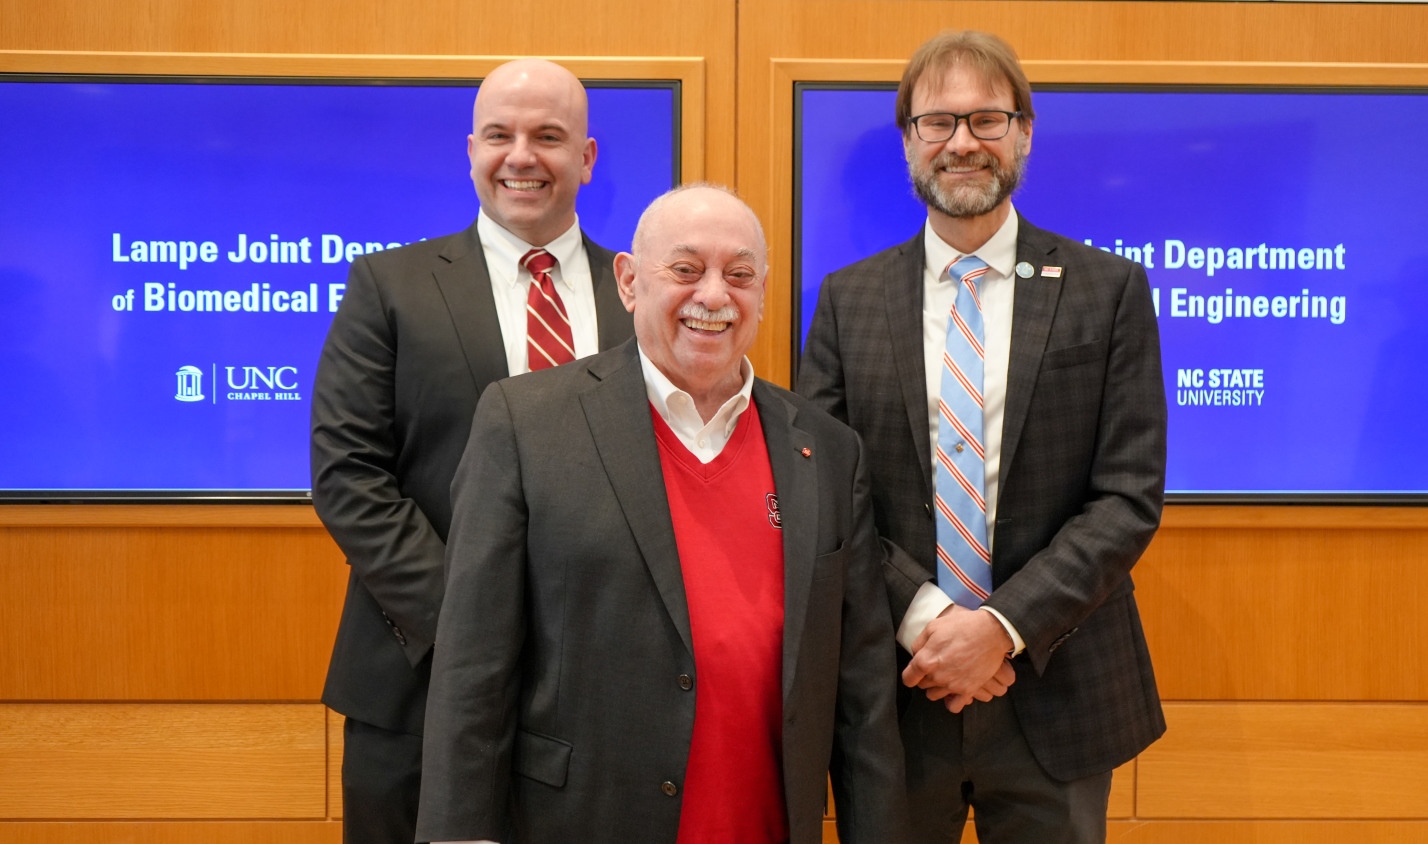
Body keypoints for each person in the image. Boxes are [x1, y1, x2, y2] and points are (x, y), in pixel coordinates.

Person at [415, 184, 908, 844]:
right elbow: (472, 670)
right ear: (628, 281)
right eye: (685, 269)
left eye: (740, 275)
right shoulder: (525, 424)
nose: (714, 295)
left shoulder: (827, 450)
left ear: (763, 293)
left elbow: (863, 692)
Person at [797, 30, 1168, 844]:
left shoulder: (1108, 291)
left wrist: (998, 629)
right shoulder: (846, 300)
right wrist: (931, 620)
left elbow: (1128, 497)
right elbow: (823, 495)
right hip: (900, 685)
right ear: (909, 142)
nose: (962, 142)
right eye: (938, 122)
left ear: (1024, 133)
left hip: (1060, 686)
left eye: (987, 119)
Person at [310, 58, 634, 844]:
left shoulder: (642, 295)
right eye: (499, 135)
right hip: (416, 685)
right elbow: (349, 475)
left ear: (586, 157)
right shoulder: (389, 286)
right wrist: (472, 623)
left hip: (602, 691)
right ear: (471, 151)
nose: (521, 156)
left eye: (548, 136)